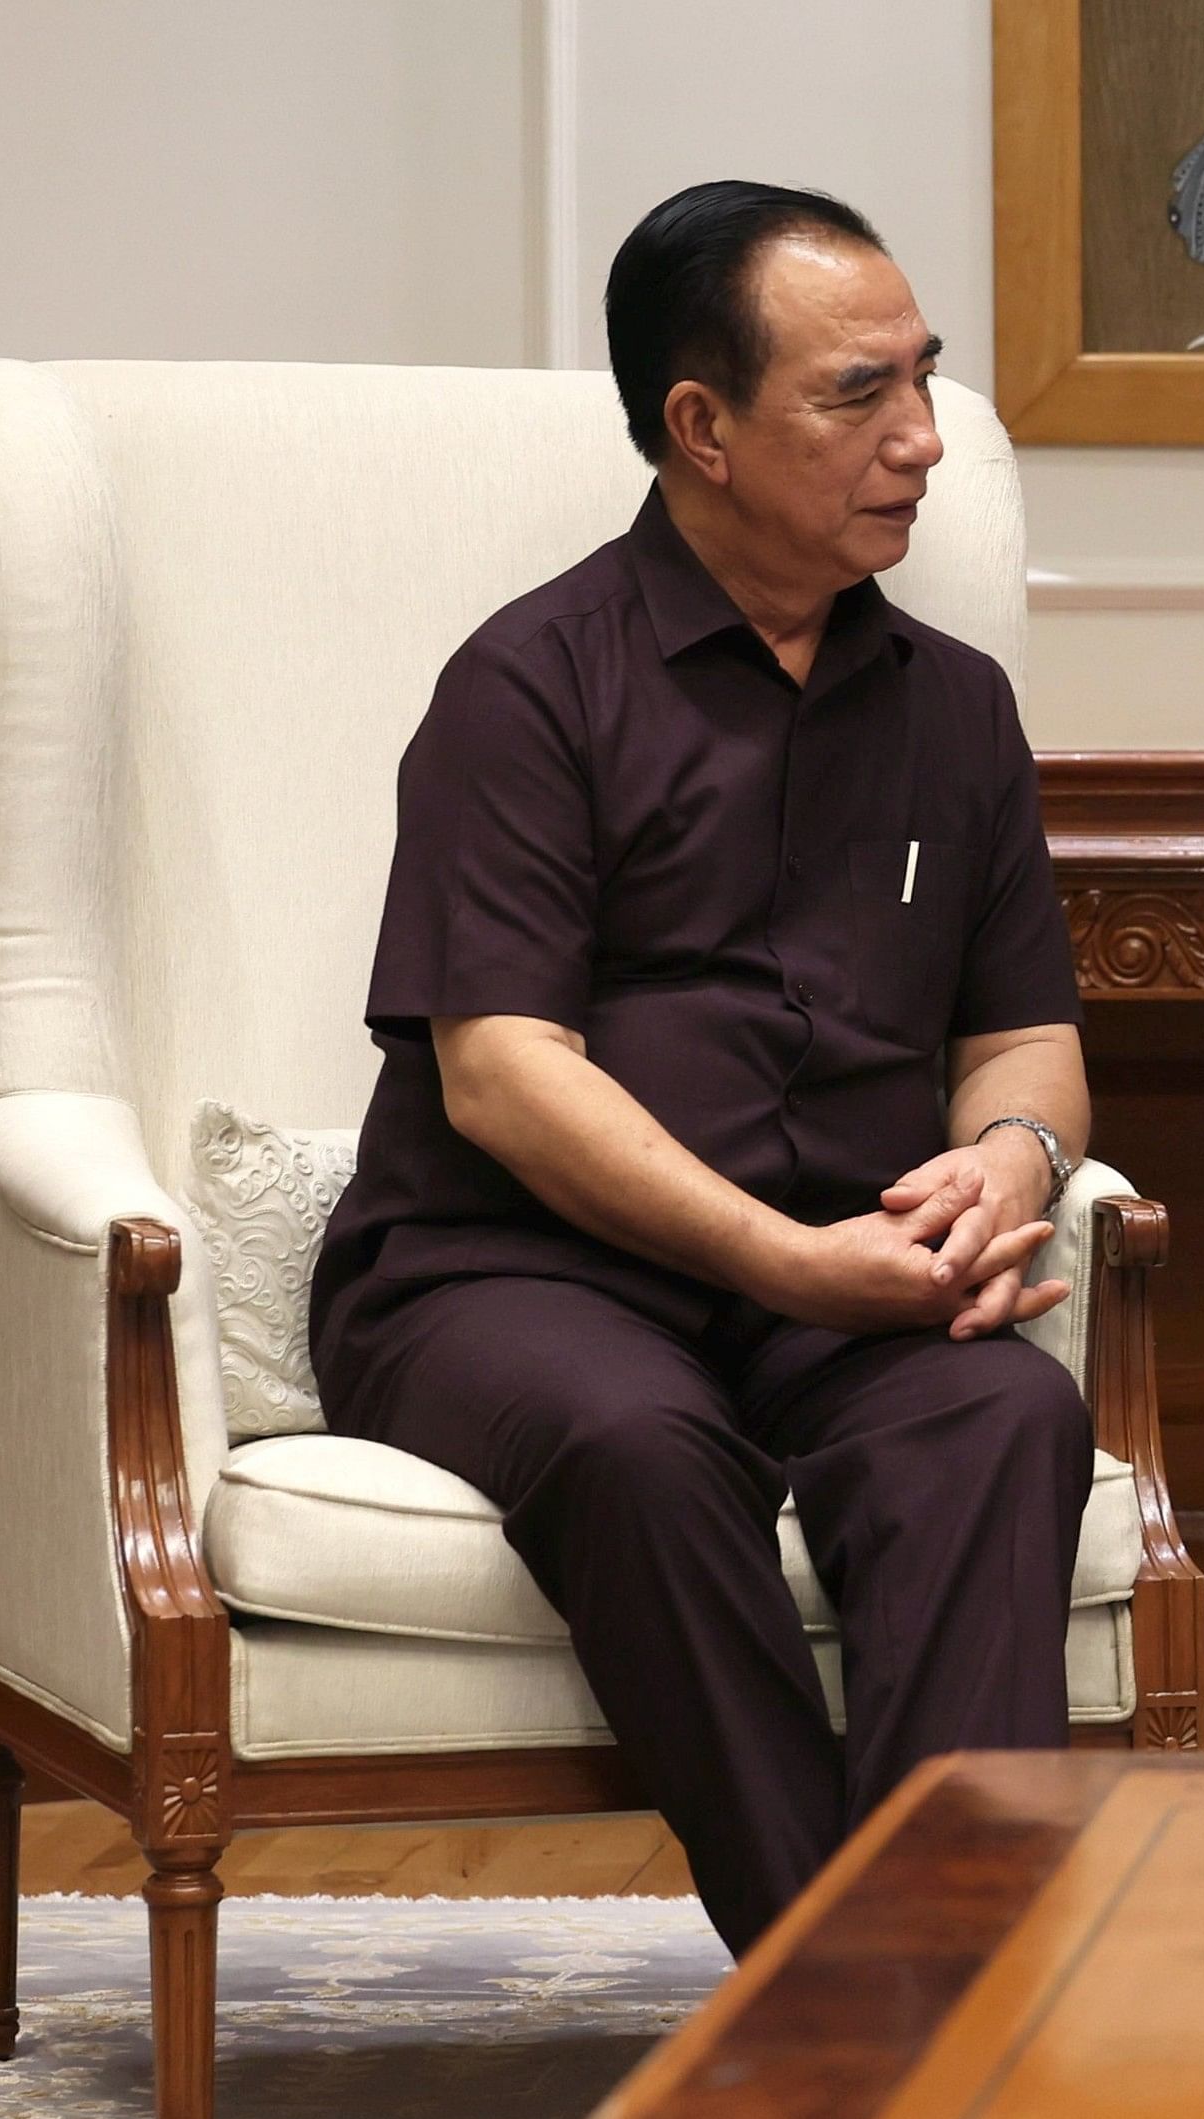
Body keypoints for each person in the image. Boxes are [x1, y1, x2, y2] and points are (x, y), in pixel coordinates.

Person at [313, 181, 1097, 1954]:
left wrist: (1015, 1159)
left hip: (839, 1277)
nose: (918, 441)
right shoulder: (530, 684)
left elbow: (1022, 1032)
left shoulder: (955, 707)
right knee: (640, 1444)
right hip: (506, 1272)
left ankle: (936, 1988)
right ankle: (859, 1997)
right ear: (703, 428)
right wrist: (777, 1256)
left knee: (1005, 1413)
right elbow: (502, 1071)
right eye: (856, 395)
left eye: (926, 382)